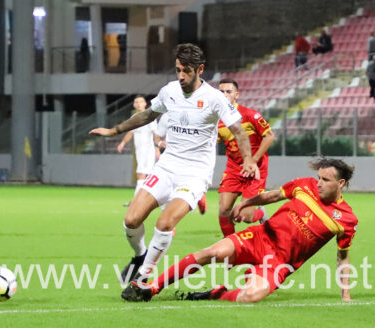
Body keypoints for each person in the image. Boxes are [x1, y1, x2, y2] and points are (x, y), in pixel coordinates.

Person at [89, 43, 260, 299]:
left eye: (186, 71)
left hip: (194, 174)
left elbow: (238, 130)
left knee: (165, 222)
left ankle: (143, 279)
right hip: (167, 166)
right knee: (131, 220)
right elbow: (147, 115)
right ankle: (140, 256)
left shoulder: (214, 98)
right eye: (178, 69)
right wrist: (115, 131)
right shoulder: (170, 91)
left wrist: (248, 159)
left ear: (200, 70)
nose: (180, 76)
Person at [123, 158, 357, 304]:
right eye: (319, 178)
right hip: (260, 237)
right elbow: (273, 195)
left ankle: (216, 293)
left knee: (250, 297)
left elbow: (342, 257)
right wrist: (247, 203)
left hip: (279, 263)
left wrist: (345, 294)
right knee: (210, 252)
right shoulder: (304, 185)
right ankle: (151, 287)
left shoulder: (346, 220)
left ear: (341, 184)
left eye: (325, 180)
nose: (318, 183)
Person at [217, 78, 274, 237]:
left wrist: (253, 161)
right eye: (221, 92)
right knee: (223, 210)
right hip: (234, 168)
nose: (224, 95)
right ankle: (229, 248)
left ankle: (260, 214)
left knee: (246, 217)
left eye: (228, 91)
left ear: (237, 95)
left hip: (256, 168)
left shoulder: (250, 115)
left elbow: (269, 136)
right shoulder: (216, 120)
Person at [117, 95, 158, 198]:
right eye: (136, 102)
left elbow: (155, 133)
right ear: (134, 105)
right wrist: (123, 143)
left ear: (145, 103)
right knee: (143, 175)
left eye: (140, 101)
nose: (138, 104)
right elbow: (131, 132)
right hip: (139, 151)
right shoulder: (134, 117)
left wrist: (157, 148)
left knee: (141, 175)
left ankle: (137, 200)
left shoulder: (149, 116)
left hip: (147, 151)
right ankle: (143, 199)